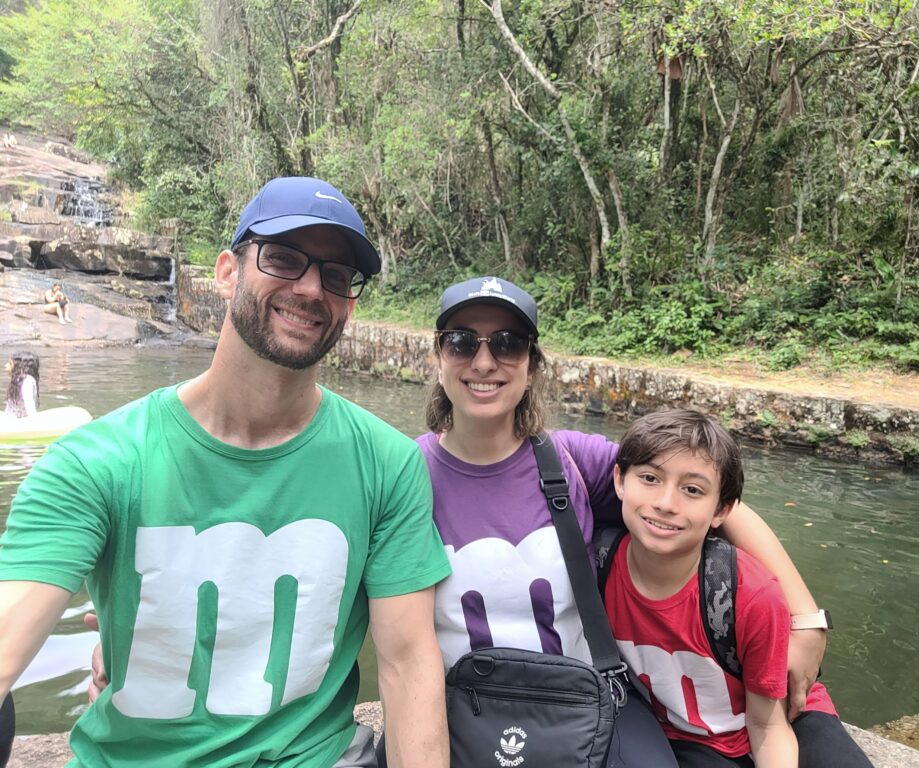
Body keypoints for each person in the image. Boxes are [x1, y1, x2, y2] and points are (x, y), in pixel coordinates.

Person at [0, 177, 452, 767]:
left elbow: (407, 660)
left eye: (336, 276)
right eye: (284, 258)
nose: (311, 288)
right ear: (226, 272)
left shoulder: (388, 464)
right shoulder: (95, 463)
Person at [376, 277, 830, 766]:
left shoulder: (572, 461)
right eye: (463, 341)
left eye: (507, 343)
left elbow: (714, 503)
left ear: (532, 366)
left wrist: (805, 621)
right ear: (437, 356)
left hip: (582, 699)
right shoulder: (403, 474)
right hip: (458, 704)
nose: (484, 362)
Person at [604, 408, 872, 768]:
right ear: (619, 480)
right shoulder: (596, 567)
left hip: (783, 716)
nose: (666, 503)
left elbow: (768, 725)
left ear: (722, 510)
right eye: (650, 478)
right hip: (686, 737)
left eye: (692, 489)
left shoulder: (748, 595)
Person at [3, 351, 40, 419]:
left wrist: (35, 422)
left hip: (19, 423)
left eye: (10, 363)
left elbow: (30, 406)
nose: (6, 365)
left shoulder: (27, 381)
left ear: (19, 367)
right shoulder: (17, 381)